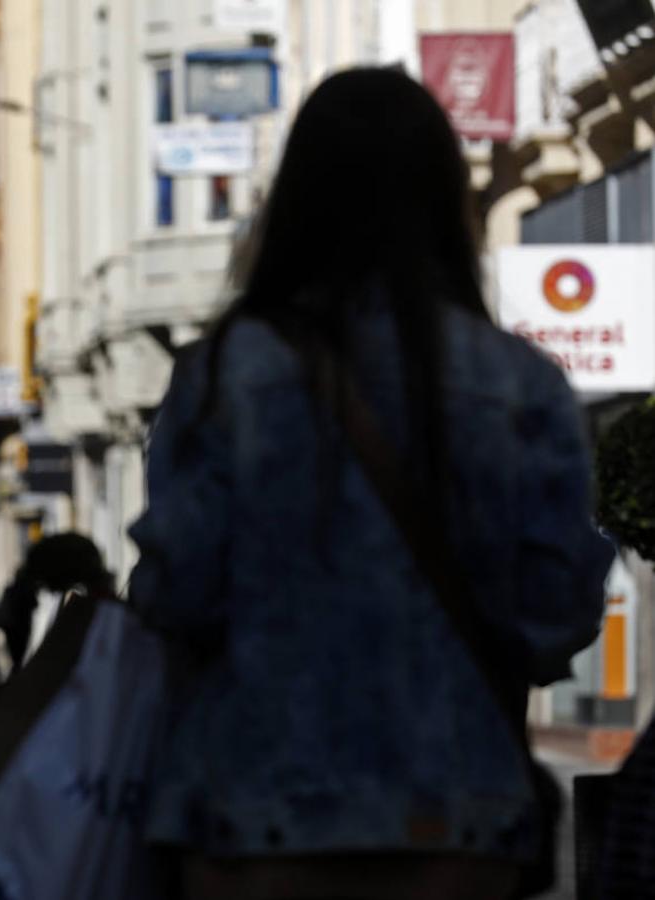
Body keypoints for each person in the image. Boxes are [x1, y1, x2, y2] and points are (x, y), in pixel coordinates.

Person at [128, 68, 613, 900]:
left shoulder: (225, 372)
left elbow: (174, 593)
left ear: (296, 200)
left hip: (252, 809)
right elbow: (555, 611)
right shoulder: (519, 383)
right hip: (457, 811)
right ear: (444, 200)